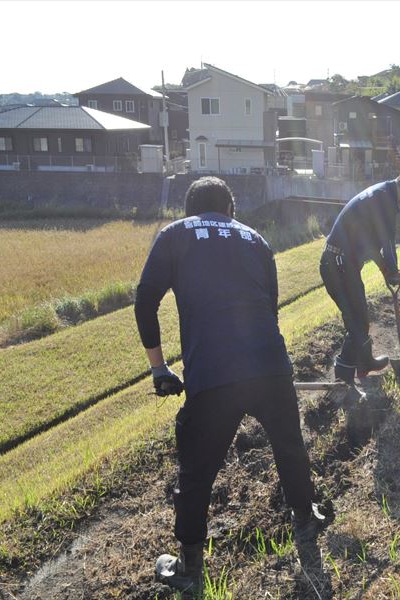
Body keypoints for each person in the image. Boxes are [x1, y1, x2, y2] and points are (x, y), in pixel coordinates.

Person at [134, 177, 322, 594]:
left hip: (214, 373)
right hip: (271, 364)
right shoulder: (256, 239)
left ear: (191, 209)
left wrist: (160, 368)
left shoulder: (175, 234)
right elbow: (269, 307)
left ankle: (189, 566)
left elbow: (145, 300)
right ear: (231, 211)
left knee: (197, 470)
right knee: (289, 445)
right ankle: (306, 522)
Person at [320, 165, 400, 384]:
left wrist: (385, 270)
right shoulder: (385, 202)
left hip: (342, 263)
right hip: (338, 263)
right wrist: (393, 269)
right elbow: (387, 244)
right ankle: (343, 380)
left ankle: (364, 362)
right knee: (357, 322)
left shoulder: (384, 194)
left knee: (360, 316)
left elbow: (371, 246)